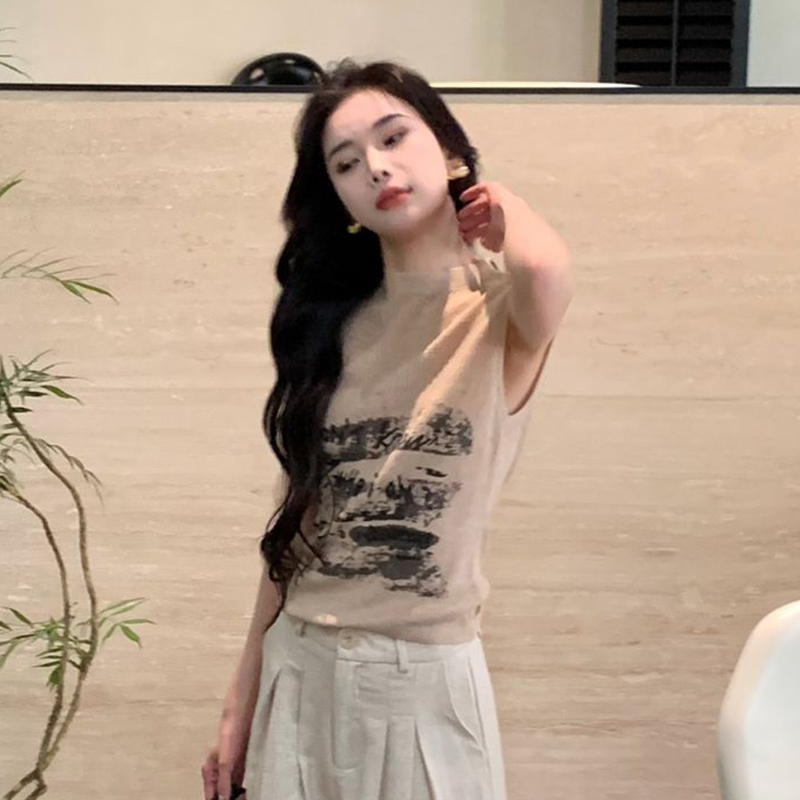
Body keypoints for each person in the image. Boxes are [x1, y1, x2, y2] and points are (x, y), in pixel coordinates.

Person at [201, 57, 574, 800]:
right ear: (338, 196)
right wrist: (240, 703)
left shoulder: (499, 313)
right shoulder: (331, 327)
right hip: (302, 666)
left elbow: (544, 269)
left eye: (394, 137)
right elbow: (294, 531)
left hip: (425, 681)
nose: (375, 166)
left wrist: (502, 202)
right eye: (346, 162)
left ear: (449, 147)